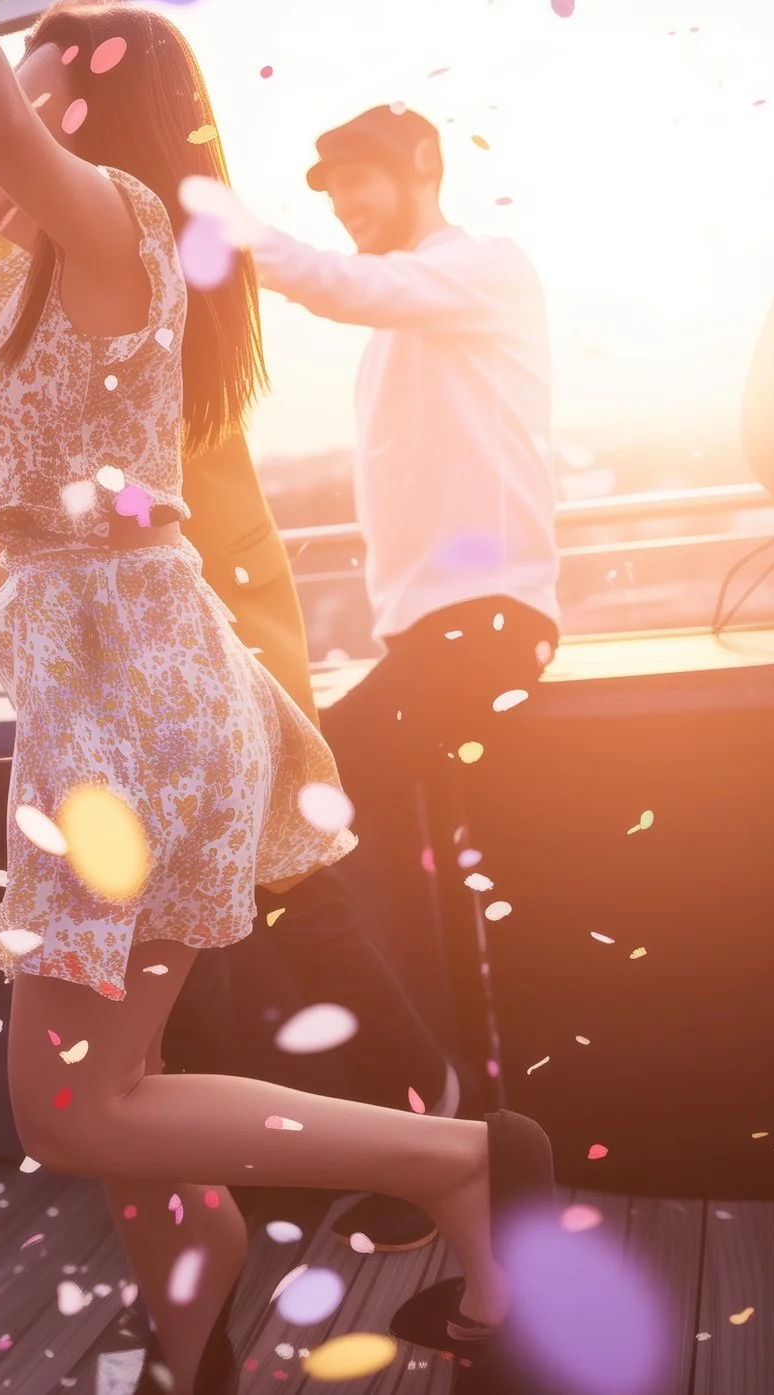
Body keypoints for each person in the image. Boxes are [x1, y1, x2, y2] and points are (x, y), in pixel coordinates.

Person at [0, 0, 552, 1385]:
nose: (6, 104)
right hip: (125, 700)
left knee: (71, 1108)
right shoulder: (45, 271)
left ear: (95, 114)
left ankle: (447, 1161)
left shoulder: (121, 229)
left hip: (136, 710)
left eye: (44, 85)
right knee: (106, 1095)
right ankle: (225, 1278)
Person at [0, 226, 463, 1260]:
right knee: (266, 928)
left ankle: (398, 1141)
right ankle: (350, 1154)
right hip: (189, 663)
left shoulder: (100, 270)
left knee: (264, 932)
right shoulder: (131, 268)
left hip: (178, 668)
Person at [248, 104, 561, 1091]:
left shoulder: (484, 268)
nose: (344, 202)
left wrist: (219, 227)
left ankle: (415, 1090)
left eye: (360, 179)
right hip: (432, 640)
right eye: (331, 187)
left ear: (424, 163)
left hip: (487, 631)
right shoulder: (407, 314)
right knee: (317, 841)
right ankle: (444, 1097)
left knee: (279, 826)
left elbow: (345, 287)